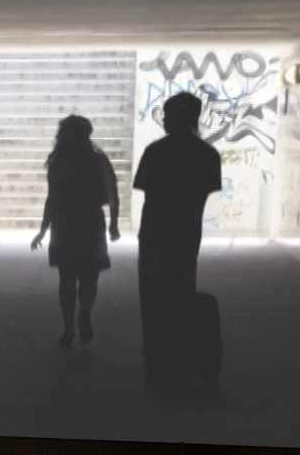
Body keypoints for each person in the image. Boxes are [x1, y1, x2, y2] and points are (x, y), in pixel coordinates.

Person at [133, 92, 222, 393]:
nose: (164, 121)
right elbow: (205, 192)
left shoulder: (155, 152)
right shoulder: (208, 155)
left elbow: (146, 188)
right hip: (187, 232)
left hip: (154, 231)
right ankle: (179, 345)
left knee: (151, 288)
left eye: (167, 116)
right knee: (182, 284)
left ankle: (155, 346)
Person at [30, 115, 121, 348]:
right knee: (90, 276)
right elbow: (113, 194)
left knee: (67, 278)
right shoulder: (98, 160)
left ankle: (68, 327)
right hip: (91, 223)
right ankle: (85, 314)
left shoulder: (58, 162)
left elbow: (52, 199)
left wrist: (42, 231)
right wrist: (113, 224)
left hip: (65, 224)